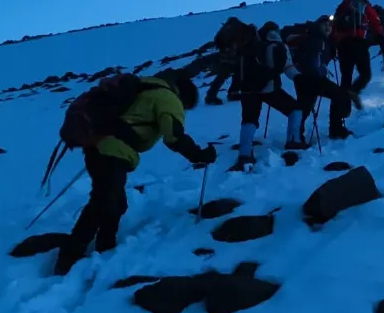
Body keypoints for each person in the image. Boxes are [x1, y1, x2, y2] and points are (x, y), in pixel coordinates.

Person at [55, 70, 216, 275]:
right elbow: (173, 137)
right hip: (113, 152)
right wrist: (199, 156)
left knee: (114, 202)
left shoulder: (146, 87)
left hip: (98, 148)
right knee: (102, 202)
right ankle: (69, 257)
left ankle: (105, 248)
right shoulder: (168, 99)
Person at [228, 21, 305, 169]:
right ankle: (293, 140)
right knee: (295, 108)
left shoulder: (250, 45)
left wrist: (234, 88)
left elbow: (237, 69)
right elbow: (286, 67)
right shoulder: (276, 43)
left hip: (247, 90)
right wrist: (299, 78)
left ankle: (245, 154)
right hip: (269, 88)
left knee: (249, 119)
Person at [331, 0, 384, 138]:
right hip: (358, 43)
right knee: (365, 74)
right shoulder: (365, 7)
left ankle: (339, 121)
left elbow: (334, 28)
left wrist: (334, 47)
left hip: (342, 46)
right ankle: (354, 91)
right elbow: (376, 25)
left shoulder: (342, 7)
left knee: (345, 79)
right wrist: (383, 45)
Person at [290, 16, 358, 142]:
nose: (328, 27)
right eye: (325, 25)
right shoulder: (316, 39)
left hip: (305, 78)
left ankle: (296, 137)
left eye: (330, 25)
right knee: (337, 95)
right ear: (318, 25)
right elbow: (313, 61)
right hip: (312, 78)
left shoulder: (322, 39)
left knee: (305, 107)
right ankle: (335, 129)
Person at [205, 16, 242, 105]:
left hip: (225, 58)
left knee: (225, 76)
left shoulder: (224, 30)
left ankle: (212, 95)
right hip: (230, 58)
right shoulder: (233, 30)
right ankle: (230, 94)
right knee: (230, 75)